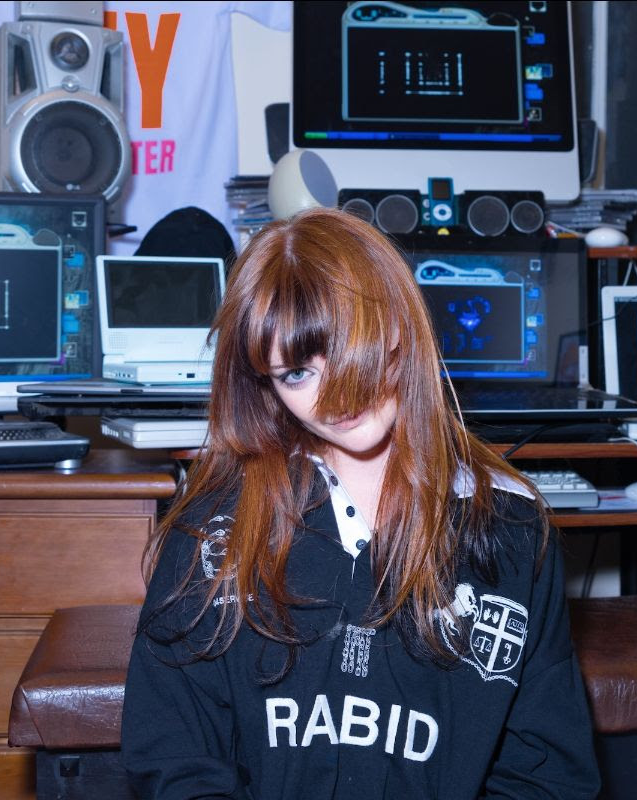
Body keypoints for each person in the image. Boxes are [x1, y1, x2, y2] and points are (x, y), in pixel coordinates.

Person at [121, 207, 600, 799]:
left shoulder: (512, 527)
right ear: (264, 384)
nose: (336, 396)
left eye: (355, 350)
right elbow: (173, 760)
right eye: (297, 373)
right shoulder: (210, 531)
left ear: (402, 326)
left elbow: (545, 772)